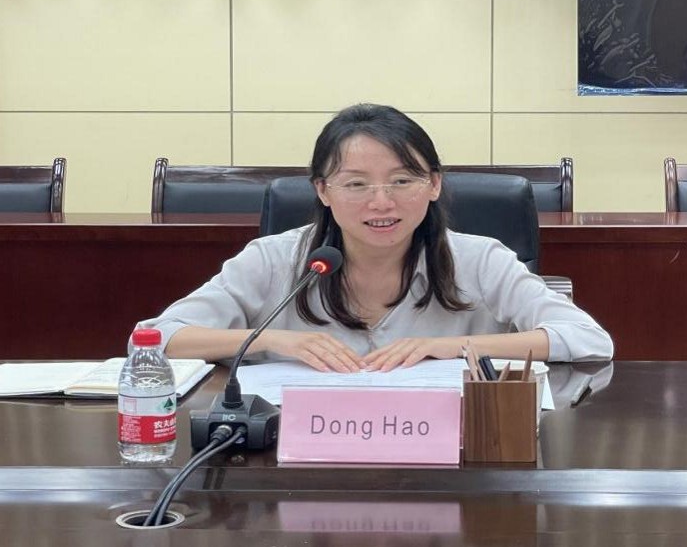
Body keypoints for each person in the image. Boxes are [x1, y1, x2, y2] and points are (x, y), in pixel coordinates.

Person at [137, 103, 613, 370]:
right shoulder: (273, 259)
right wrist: (277, 340)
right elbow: (155, 339)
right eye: (356, 184)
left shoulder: (480, 260)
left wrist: (450, 347)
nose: (381, 202)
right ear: (323, 191)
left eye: (402, 181)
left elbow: (589, 339)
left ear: (434, 184)